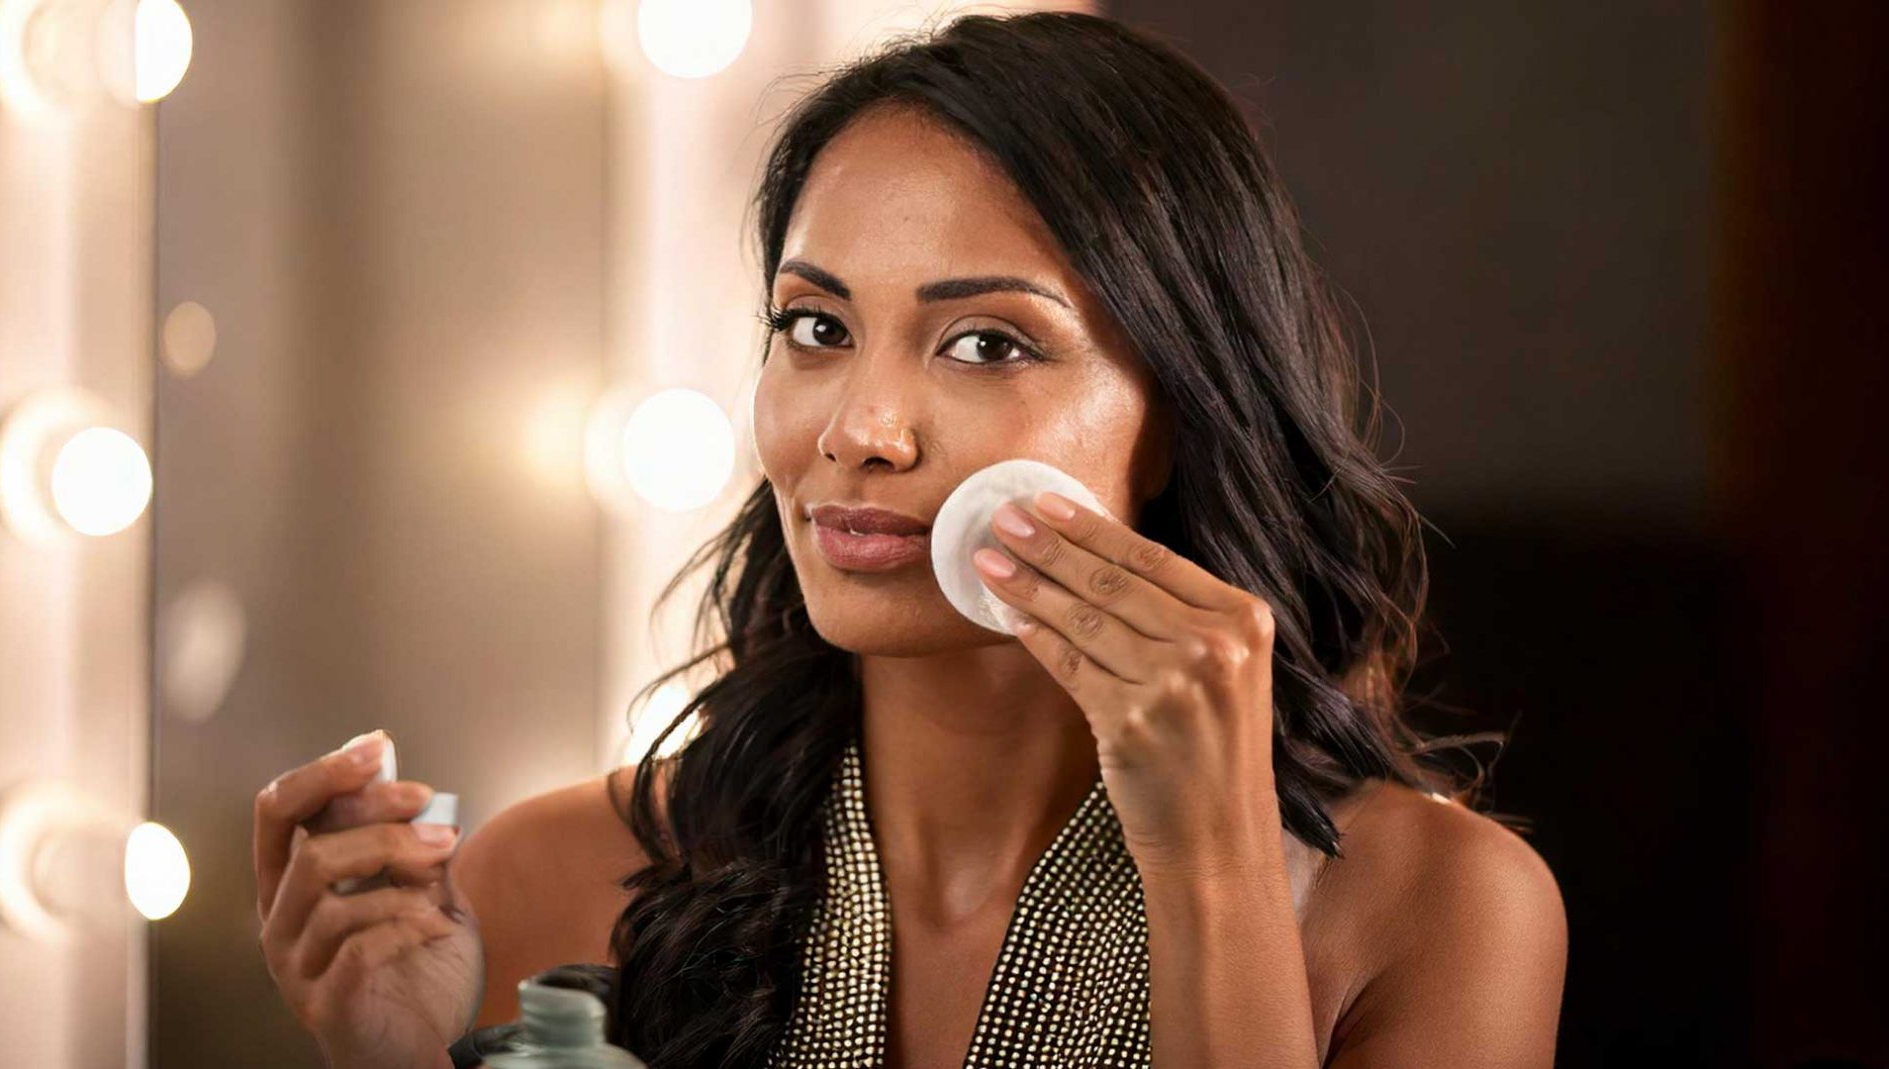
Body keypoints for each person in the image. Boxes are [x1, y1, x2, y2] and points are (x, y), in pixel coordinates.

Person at [254, 11, 1567, 1069]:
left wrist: (1214, 863)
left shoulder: (1443, 915)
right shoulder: (547, 884)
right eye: (817, 327)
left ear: (1183, 409)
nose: (863, 429)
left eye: (987, 342)